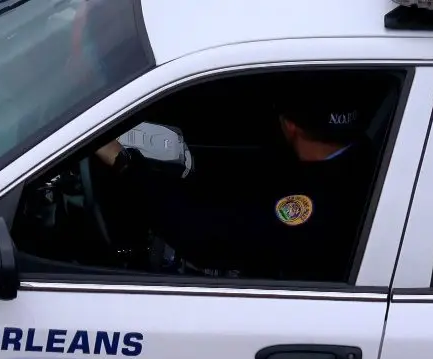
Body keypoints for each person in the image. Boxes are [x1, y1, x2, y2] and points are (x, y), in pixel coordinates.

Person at [92, 90, 380, 282]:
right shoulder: (368, 158)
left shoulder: (312, 204)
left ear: (289, 126)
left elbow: (201, 236)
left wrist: (125, 163)